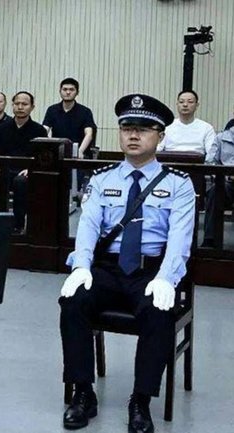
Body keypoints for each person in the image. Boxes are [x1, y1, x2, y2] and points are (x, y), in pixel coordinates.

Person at [59, 94, 195, 433]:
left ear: (160, 136)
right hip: (107, 269)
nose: (133, 135)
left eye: (144, 129)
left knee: (158, 312)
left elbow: (180, 240)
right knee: (73, 302)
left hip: (151, 272)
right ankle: (83, 392)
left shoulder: (178, 184)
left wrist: (167, 278)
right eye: (127, 128)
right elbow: (88, 227)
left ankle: (140, 401)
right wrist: (81, 266)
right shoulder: (102, 178)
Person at [0, 91, 47, 232]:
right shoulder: (2, 128)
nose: (20, 107)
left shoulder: (39, 130)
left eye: (24, 104)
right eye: (17, 104)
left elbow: (42, 158)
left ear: (32, 107)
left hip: (26, 172)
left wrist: (31, 169)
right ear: (12, 105)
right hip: (4, 169)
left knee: (20, 182)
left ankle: (18, 225)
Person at [43, 77, 97, 192]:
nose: (68, 92)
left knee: (72, 184)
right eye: (65, 89)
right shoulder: (52, 110)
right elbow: (44, 130)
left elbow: (89, 134)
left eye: (71, 89)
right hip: (57, 153)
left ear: (77, 92)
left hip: (77, 154)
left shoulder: (85, 111)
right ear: (60, 91)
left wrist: (80, 151)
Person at [157, 90, 216, 161]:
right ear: (177, 104)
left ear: (197, 105)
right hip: (169, 163)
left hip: (197, 164)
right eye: (181, 102)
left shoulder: (206, 127)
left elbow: (211, 153)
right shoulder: (167, 126)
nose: (185, 105)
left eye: (190, 102)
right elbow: (157, 149)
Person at [201, 122, 234, 248]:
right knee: (215, 191)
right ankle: (210, 240)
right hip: (227, 183)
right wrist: (225, 176)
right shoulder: (221, 138)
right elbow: (210, 163)